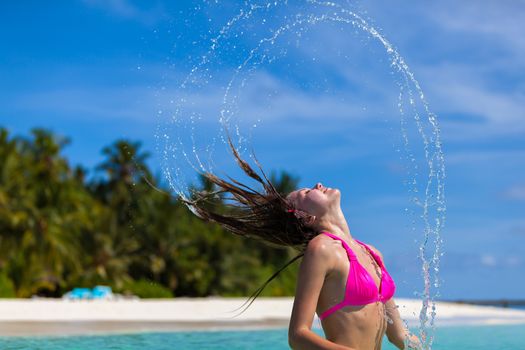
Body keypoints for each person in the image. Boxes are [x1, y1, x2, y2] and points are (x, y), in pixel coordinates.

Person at [183, 135, 420, 349]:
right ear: (305, 217)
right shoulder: (321, 250)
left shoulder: (372, 253)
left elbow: (398, 335)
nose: (317, 184)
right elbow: (298, 335)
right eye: (306, 193)